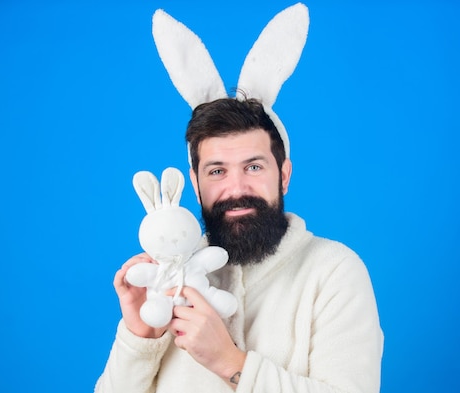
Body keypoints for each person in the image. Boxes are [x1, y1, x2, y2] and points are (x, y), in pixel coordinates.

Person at [94, 98, 384, 393]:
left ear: (284, 176)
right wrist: (141, 338)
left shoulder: (334, 270)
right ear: (195, 185)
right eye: (217, 172)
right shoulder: (167, 281)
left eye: (254, 167)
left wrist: (228, 362)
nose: (236, 189)